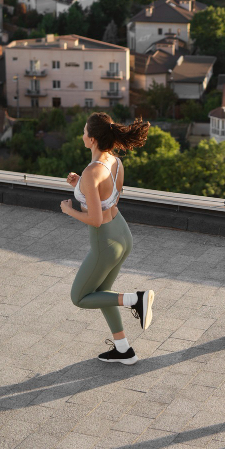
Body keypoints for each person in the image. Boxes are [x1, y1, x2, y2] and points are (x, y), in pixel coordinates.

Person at [61, 113, 155, 365]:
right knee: (102, 293)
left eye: (83, 132)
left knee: (80, 297)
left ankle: (137, 299)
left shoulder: (92, 171)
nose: (81, 135)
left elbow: (95, 219)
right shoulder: (114, 161)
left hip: (105, 243)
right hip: (122, 234)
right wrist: (79, 184)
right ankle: (123, 349)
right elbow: (106, 199)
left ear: (91, 139)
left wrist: (69, 209)